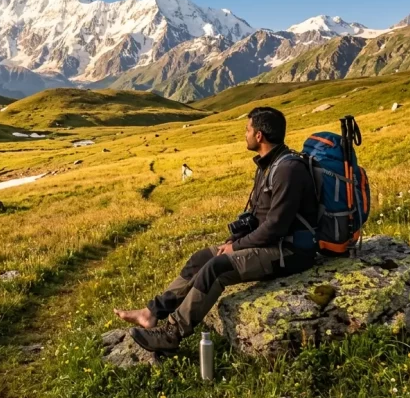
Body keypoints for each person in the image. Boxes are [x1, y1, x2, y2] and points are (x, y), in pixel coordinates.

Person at [114, 107, 320, 354]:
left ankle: (171, 334)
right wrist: (234, 240)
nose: (244, 134)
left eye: (247, 129)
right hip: (271, 243)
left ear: (259, 136)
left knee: (217, 267)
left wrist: (236, 247)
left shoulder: (287, 170)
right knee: (201, 258)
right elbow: (257, 216)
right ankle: (151, 313)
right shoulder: (268, 165)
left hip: (290, 251)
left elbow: (276, 226)